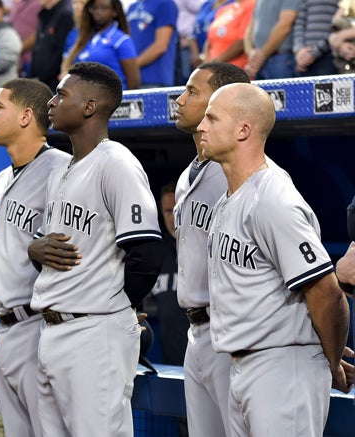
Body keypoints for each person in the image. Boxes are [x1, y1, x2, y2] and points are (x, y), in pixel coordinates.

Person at [198, 82, 351, 434]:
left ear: (243, 130)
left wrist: (331, 360)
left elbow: (328, 295)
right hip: (244, 366)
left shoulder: (272, 198)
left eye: (211, 118)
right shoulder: (230, 198)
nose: (201, 127)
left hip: (282, 367)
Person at [27, 62, 162, 436]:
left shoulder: (116, 162)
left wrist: (117, 306)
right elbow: (52, 251)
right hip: (53, 327)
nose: (51, 102)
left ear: (90, 106)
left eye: (61, 95)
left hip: (94, 331)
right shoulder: (61, 169)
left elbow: (147, 252)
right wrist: (33, 250)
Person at [0, 78, 70, 437]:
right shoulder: (1, 177)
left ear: (26, 116)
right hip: (4, 329)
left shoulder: (62, 169)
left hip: (41, 326)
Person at [172, 61, 249, 437]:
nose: (181, 99)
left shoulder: (238, 176)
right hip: (195, 331)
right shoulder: (191, 174)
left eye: (192, 92)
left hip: (231, 334)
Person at [145, 181, 189, 366]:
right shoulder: (153, 252)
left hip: (206, 353)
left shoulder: (205, 248)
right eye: (168, 211)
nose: (173, 217)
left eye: (177, 210)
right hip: (166, 360)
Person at [62, 0, 140, 90]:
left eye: (103, 8)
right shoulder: (85, 38)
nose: (98, 12)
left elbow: (133, 81)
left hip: (114, 100)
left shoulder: (122, 40)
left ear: (114, 12)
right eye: (94, 8)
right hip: (87, 98)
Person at [127, 0, 178, 88]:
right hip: (132, 78)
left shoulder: (165, 3)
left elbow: (160, 46)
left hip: (155, 78)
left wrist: (132, 66)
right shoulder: (132, 7)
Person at [243, 0, 298, 80]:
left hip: (280, 59)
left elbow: (285, 25)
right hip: (260, 62)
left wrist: (260, 56)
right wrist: (251, 52)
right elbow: (250, 28)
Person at [29, 0, 73, 90]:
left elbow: (60, 51)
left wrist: (41, 78)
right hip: (39, 80)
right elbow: (38, 47)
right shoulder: (44, 14)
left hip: (53, 83)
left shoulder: (65, 15)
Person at [202, 0, 255, 68]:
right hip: (213, 69)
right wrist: (206, 63)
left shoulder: (252, 5)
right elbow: (210, 38)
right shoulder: (224, 9)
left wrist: (215, 62)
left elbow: (242, 42)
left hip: (234, 69)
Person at [293, 0, 339, 76]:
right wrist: (299, 50)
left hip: (327, 57)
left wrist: (315, 52)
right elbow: (299, 23)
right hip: (303, 58)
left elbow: (336, 26)